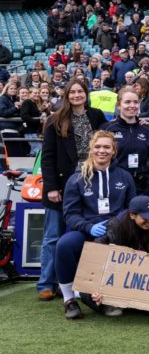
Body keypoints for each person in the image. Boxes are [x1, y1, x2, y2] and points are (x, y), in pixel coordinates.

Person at [55, 131, 137, 319]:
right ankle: (69, 300)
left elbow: (132, 209)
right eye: (98, 147)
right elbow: (70, 214)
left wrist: (116, 224)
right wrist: (88, 227)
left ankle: (114, 296)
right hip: (87, 230)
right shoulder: (77, 178)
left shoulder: (125, 177)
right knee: (64, 245)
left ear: (114, 151)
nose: (102, 151)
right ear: (91, 149)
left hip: (116, 231)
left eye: (107, 147)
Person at [38, 78, 106, 302]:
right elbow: (47, 158)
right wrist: (51, 187)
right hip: (62, 185)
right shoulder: (54, 120)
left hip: (90, 184)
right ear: (66, 95)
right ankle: (46, 283)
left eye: (81, 91)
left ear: (86, 94)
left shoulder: (96, 116)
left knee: (79, 236)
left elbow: (110, 136)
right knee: (53, 236)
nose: (77, 95)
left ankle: (72, 283)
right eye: (72, 92)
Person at [100, 87, 149, 193]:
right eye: (127, 102)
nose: (132, 106)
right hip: (114, 184)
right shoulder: (107, 129)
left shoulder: (148, 130)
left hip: (140, 186)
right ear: (119, 105)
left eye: (135, 102)